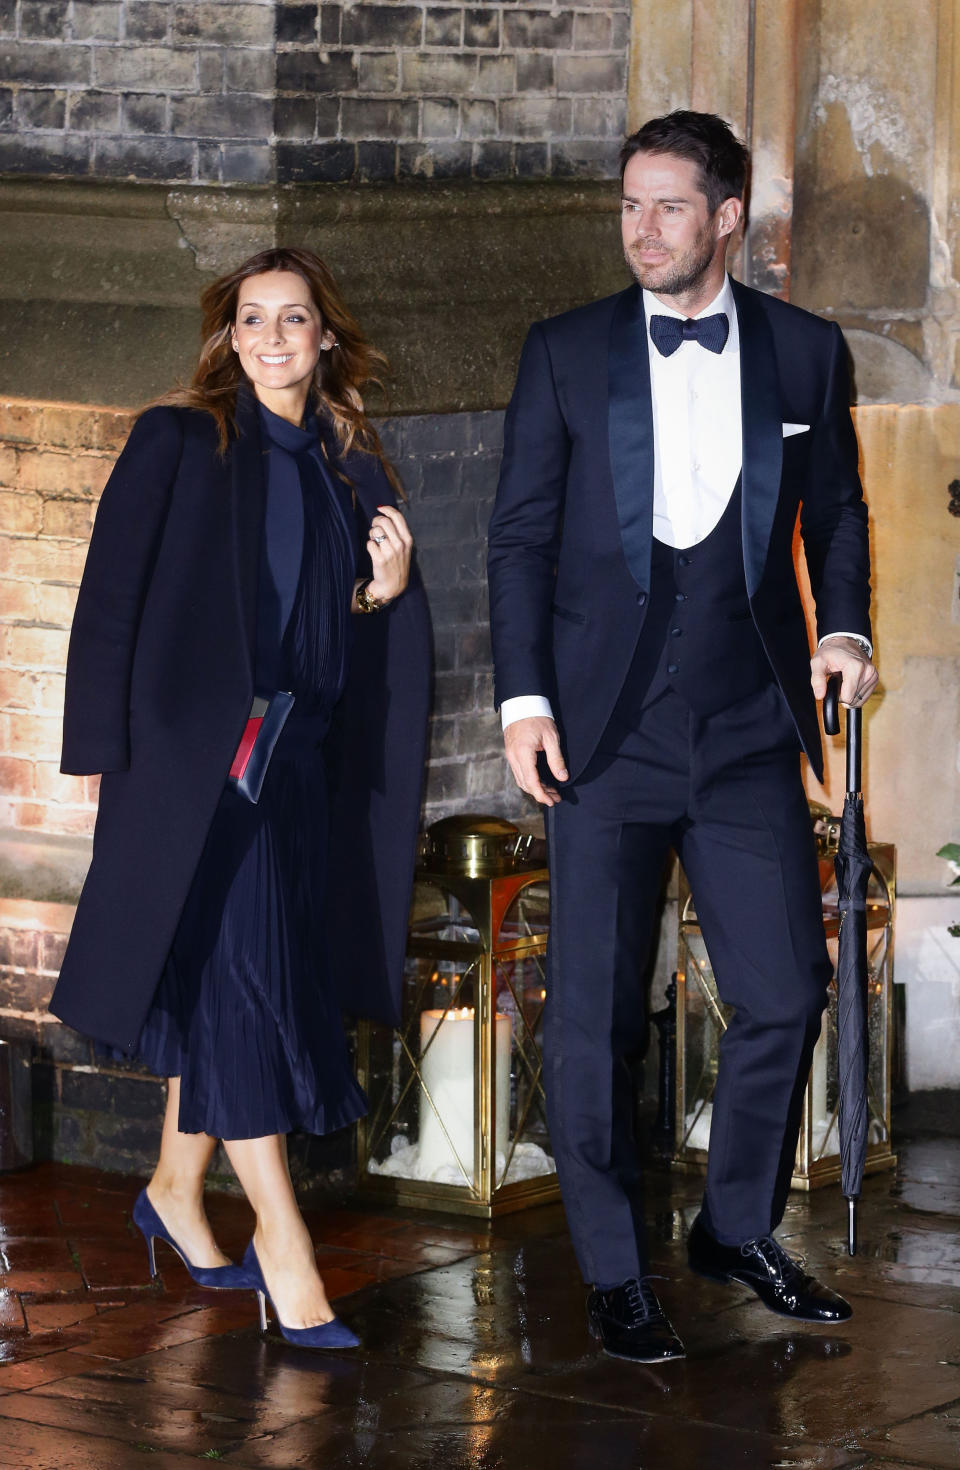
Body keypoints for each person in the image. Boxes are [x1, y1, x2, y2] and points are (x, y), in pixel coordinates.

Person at [487, 111, 878, 1364]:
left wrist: (850, 633)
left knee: (786, 993)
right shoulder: (563, 350)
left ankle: (733, 1225)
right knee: (595, 1014)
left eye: (667, 207)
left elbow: (837, 508)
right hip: (599, 737)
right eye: (629, 205)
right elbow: (517, 541)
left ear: (727, 219)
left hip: (749, 725)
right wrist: (523, 700)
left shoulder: (808, 354)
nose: (641, 230)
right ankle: (613, 1268)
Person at [51, 247, 431, 1349]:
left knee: (237, 978)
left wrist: (382, 593)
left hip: (299, 765)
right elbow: (109, 597)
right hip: (197, 769)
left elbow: (343, 624)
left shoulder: (353, 464)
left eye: (293, 319)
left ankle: (175, 1190)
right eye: (251, 320)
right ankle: (283, 1239)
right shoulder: (179, 441)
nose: (271, 337)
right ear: (228, 338)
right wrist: (105, 758)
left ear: (323, 338)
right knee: (250, 984)